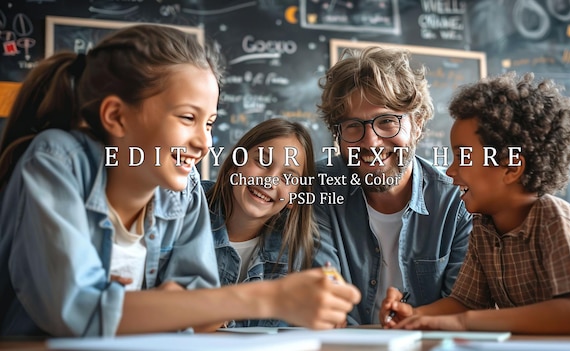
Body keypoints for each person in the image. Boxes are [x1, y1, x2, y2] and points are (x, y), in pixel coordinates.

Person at [0, 24, 360, 337]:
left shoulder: (183, 194)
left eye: (209, 123)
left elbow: (202, 316)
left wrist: (168, 307)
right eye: (188, 117)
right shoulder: (57, 162)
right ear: (116, 115)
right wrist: (264, 298)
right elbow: (74, 311)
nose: (204, 143)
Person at [381, 72, 570, 335]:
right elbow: (465, 302)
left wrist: (463, 324)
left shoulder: (552, 218)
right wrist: (415, 315)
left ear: (511, 167)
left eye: (463, 157)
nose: (450, 170)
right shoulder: (484, 225)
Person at [313, 46, 472, 325]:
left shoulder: (458, 203)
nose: (371, 142)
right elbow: (325, 303)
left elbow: (463, 306)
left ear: (418, 124)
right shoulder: (318, 188)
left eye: (387, 121)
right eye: (353, 125)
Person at [202, 118, 317, 327]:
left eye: (288, 178)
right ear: (234, 166)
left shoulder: (295, 255)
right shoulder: (189, 207)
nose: (269, 180)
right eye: (263, 162)